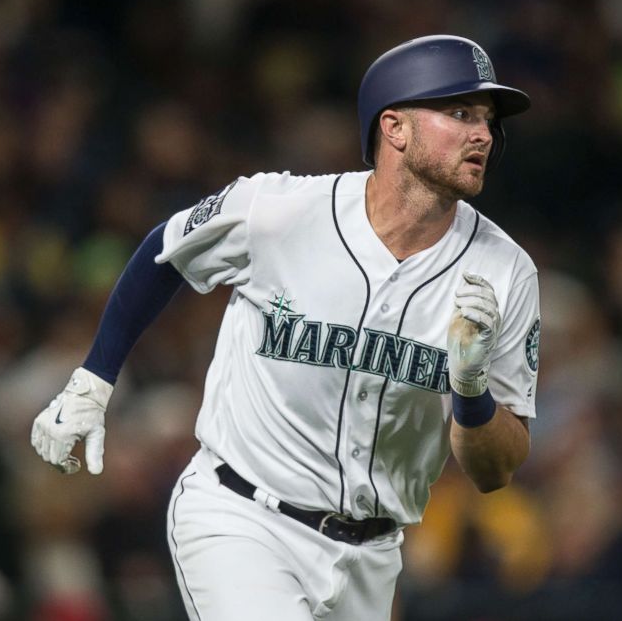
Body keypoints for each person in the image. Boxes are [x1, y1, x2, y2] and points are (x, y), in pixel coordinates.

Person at [31, 34, 540, 621]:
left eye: (487, 120)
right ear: (395, 128)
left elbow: (495, 469)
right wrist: (94, 378)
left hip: (373, 559)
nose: (484, 134)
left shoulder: (505, 272)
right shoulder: (281, 210)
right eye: (460, 113)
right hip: (243, 519)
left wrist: (471, 392)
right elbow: (164, 251)